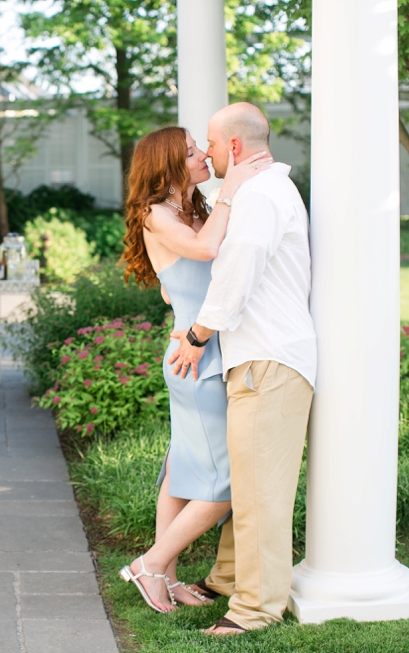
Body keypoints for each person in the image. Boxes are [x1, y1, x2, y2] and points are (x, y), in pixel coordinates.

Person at [168, 102, 317, 635]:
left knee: (258, 495)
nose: (206, 153)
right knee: (245, 481)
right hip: (262, 359)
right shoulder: (264, 189)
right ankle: (228, 578)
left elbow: (236, 277)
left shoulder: (259, 195)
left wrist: (195, 336)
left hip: (267, 361)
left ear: (233, 147)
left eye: (210, 143)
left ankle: (253, 610)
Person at [116, 125, 271, 613]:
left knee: (181, 468)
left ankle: (166, 575)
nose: (204, 154)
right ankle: (152, 562)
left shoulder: (192, 209)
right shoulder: (156, 212)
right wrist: (232, 188)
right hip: (197, 360)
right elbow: (204, 252)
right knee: (227, 483)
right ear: (168, 165)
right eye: (190, 152)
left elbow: (183, 281)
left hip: (199, 349)